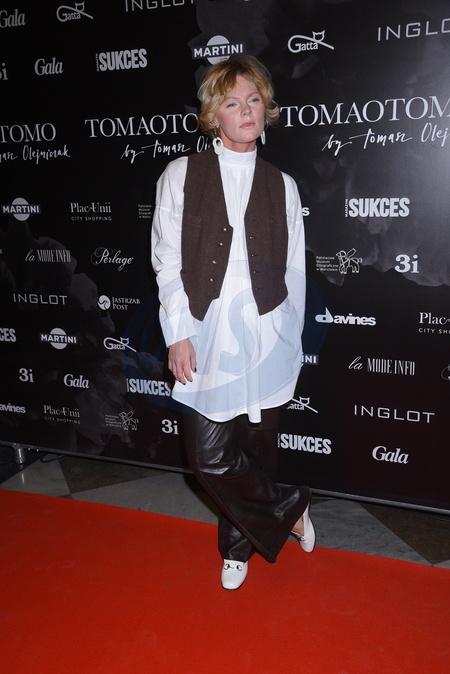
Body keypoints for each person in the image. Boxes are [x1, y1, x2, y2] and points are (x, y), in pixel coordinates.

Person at [151, 55, 315, 590]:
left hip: (267, 332)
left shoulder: (282, 184)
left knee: (258, 450)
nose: (246, 111)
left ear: (266, 109)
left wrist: (291, 341)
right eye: (231, 102)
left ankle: (237, 548)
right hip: (206, 329)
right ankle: (290, 509)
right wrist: (178, 331)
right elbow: (166, 260)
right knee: (207, 455)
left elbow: (294, 270)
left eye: (253, 100)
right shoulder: (181, 174)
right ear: (212, 116)